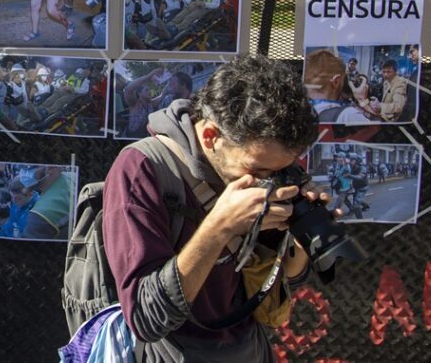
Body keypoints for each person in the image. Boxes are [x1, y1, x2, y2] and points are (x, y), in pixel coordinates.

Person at [102, 54, 325, 361]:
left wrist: (301, 233)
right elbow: (146, 317)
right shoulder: (143, 169)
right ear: (210, 137)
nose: (269, 181)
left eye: (280, 171)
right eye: (258, 170)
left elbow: (279, 282)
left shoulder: (262, 163)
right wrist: (219, 227)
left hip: (249, 349)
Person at [303, 49, 374, 124]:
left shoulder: (299, 110)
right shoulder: (348, 116)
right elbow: (379, 127)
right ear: (336, 81)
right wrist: (362, 101)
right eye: (344, 79)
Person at [21, 166, 72, 239]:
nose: (22, 174)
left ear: (50, 168)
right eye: (23, 168)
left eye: (29, 168)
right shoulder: (72, 175)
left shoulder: (38, 216)